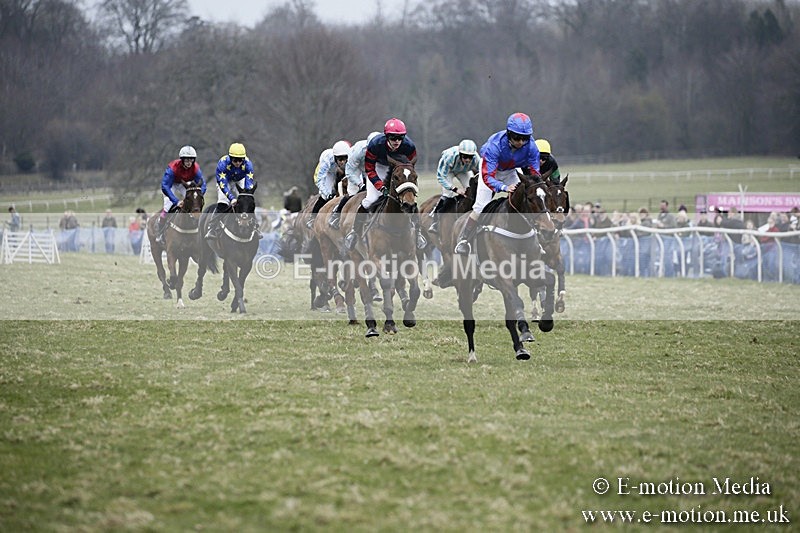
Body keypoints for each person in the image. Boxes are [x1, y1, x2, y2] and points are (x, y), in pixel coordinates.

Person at [454, 112, 541, 255]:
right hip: (490, 170)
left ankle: (535, 238)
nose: (520, 142)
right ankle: (464, 239)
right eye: (516, 137)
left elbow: (534, 173)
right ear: (508, 134)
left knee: (527, 199)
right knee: (480, 206)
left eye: (524, 138)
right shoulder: (494, 146)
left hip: (511, 170)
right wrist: (504, 188)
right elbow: (488, 177)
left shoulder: (531, 147)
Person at [344, 118, 424, 251]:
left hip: (399, 167)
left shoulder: (409, 146)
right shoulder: (375, 144)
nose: (397, 141)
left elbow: (410, 168)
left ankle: (418, 234)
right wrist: (380, 185)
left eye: (400, 137)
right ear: (387, 137)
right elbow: (369, 168)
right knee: (370, 200)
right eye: (393, 138)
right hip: (379, 167)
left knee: (410, 201)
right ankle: (354, 232)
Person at [329, 132, 381, 230]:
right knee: (354, 192)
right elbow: (350, 172)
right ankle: (337, 213)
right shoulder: (358, 152)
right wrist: (360, 184)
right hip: (355, 168)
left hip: (372, 168)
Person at [154, 145, 206, 244]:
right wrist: (176, 201)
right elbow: (165, 186)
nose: (189, 163)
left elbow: (203, 185)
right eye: (186, 160)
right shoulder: (172, 168)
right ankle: (160, 232)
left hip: (184, 184)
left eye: (191, 160)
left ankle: (196, 228)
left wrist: (198, 197)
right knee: (167, 206)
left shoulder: (196, 169)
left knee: (194, 203)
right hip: (171, 185)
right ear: (182, 160)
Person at [427, 139, 480, 235]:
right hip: (449, 171)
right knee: (448, 194)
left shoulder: (476, 159)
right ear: (460, 154)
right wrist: (455, 189)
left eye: (470, 157)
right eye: (465, 157)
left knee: (472, 191)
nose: (468, 160)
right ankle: (435, 220)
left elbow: (482, 173)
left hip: (464, 171)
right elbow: (441, 176)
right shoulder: (449, 157)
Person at [205, 143, 256, 240]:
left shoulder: (248, 164)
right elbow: (223, 184)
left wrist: (246, 195)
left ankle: (255, 225)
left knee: (247, 201)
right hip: (225, 181)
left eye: (240, 160)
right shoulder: (222, 163)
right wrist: (232, 198)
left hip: (240, 180)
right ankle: (211, 227)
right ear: (230, 158)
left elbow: (249, 183)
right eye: (235, 160)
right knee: (223, 202)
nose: (238, 162)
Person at [307, 140, 350, 228]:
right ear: (335, 157)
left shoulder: (349, 158)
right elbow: (320, 180)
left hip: (336, 170)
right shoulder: (327, 160)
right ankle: (312, 217)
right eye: (340, 159)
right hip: (326, 172)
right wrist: (327, 193)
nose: (343, 162)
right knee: (326, 194)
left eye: (345, 158)